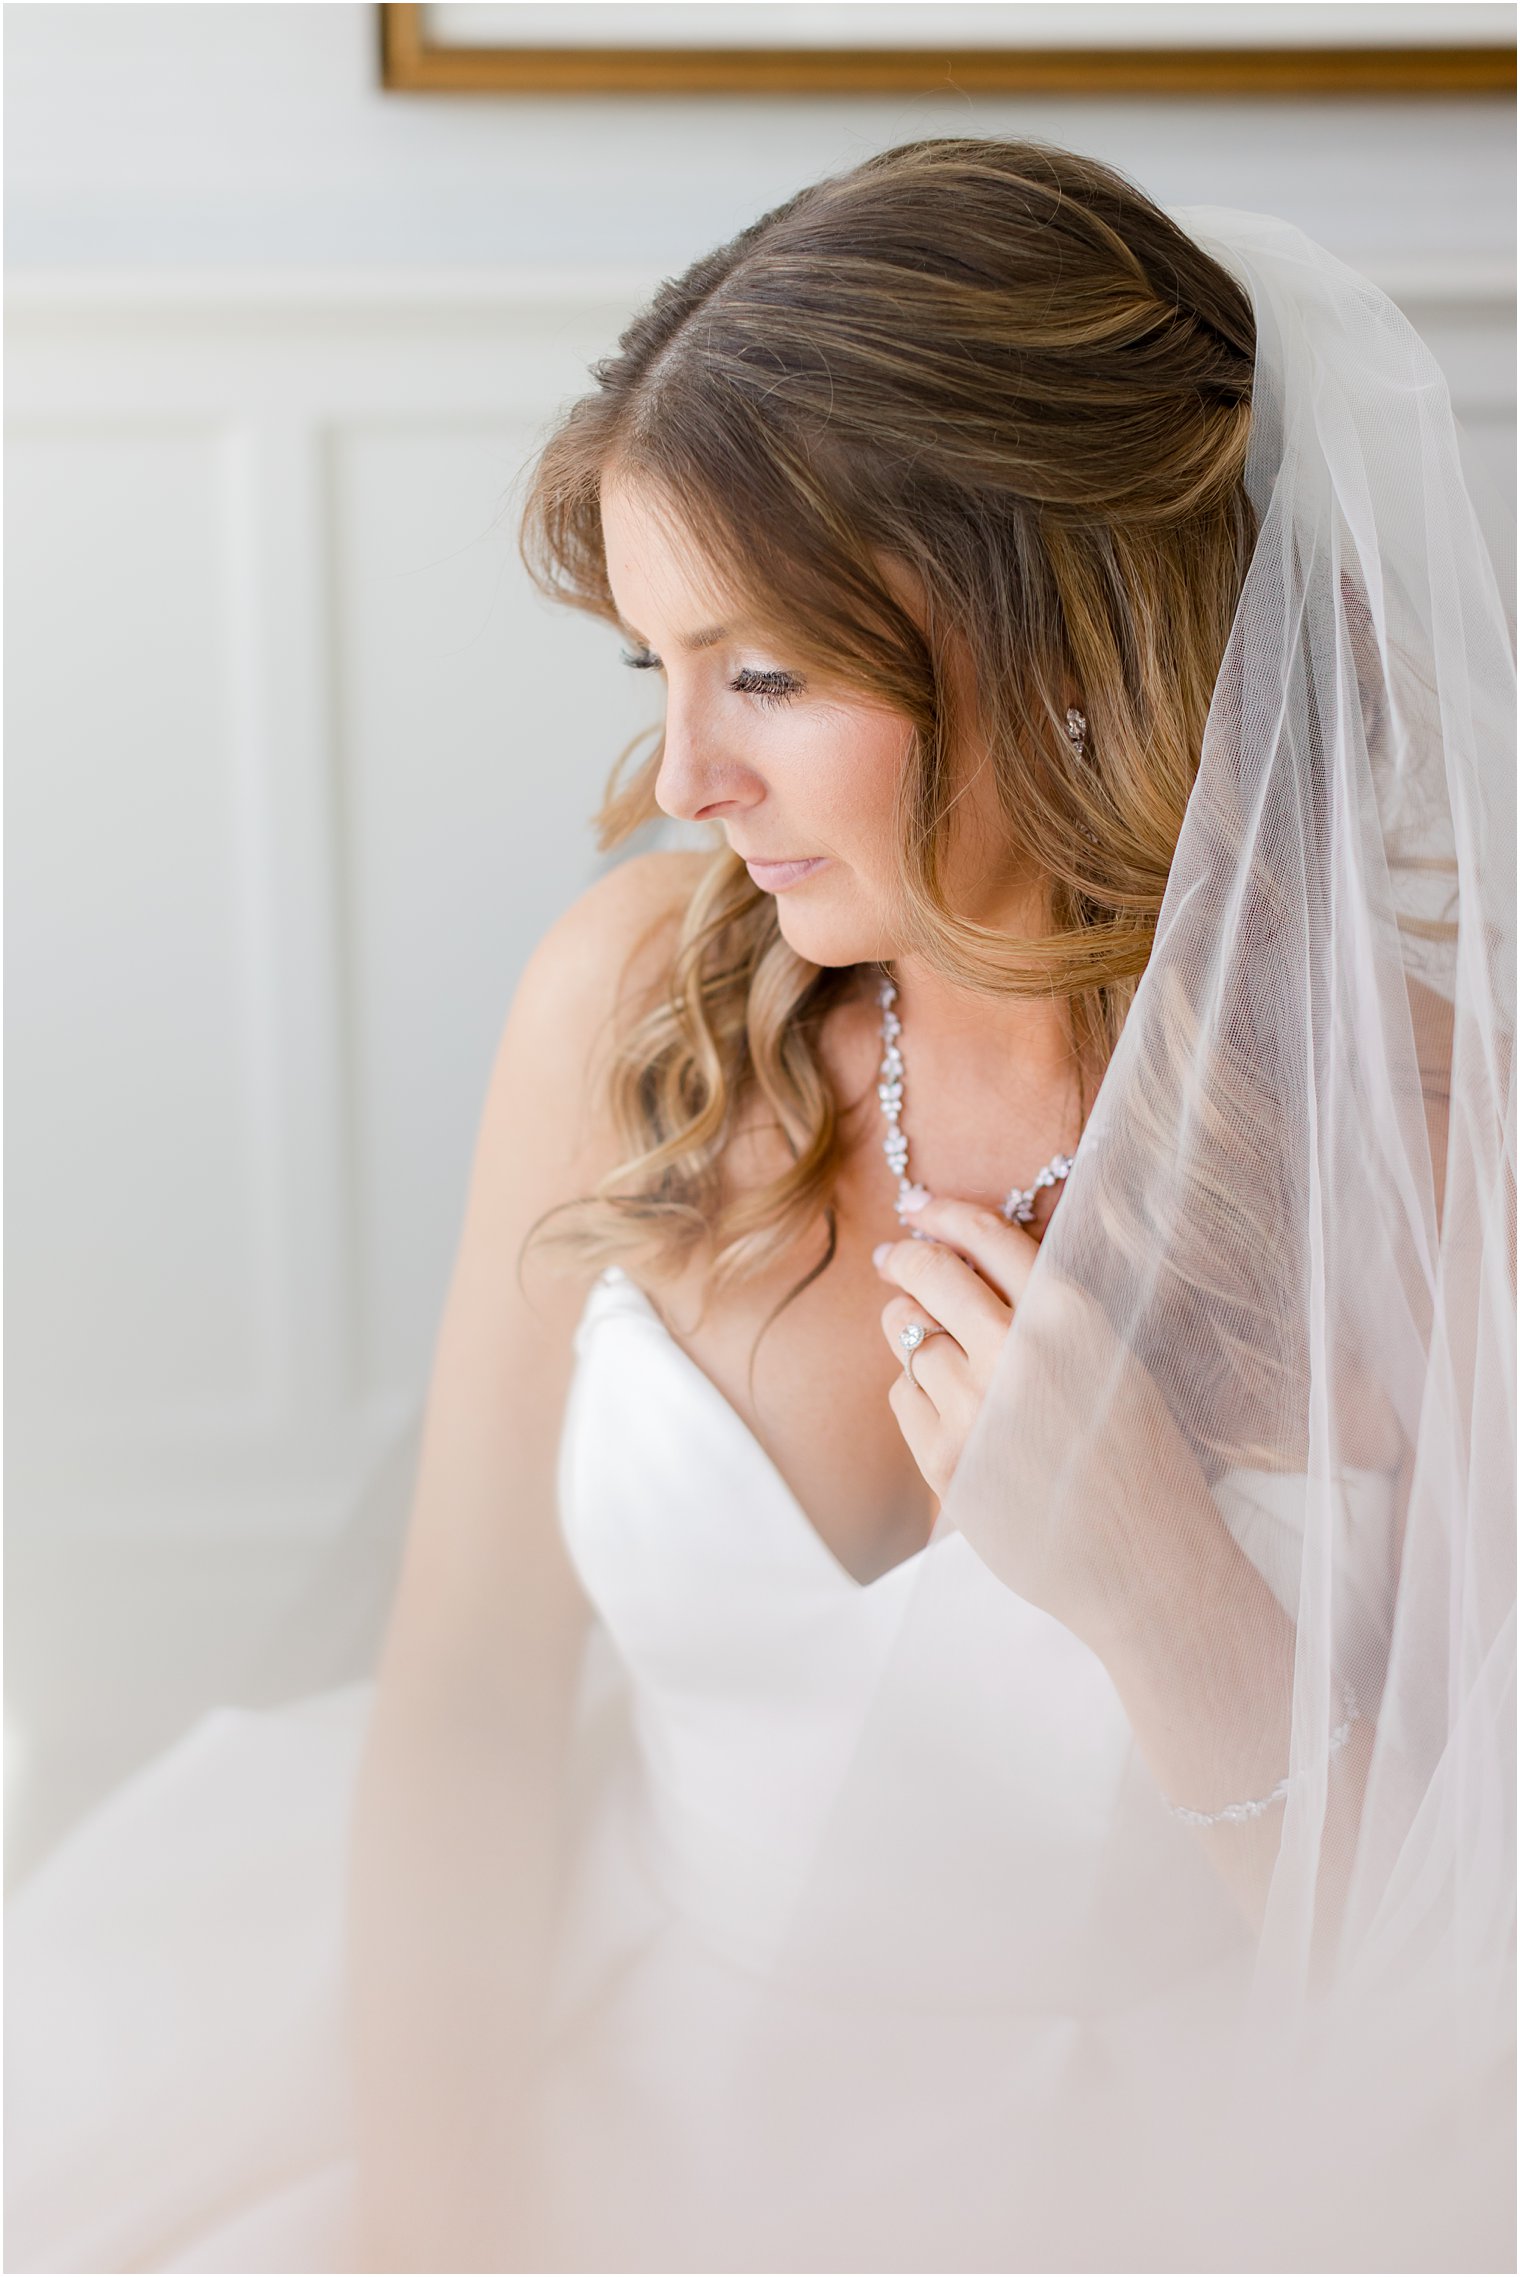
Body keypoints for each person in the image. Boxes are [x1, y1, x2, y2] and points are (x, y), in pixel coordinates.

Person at [6, 139, 1513, 2275]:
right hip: (568, 2075)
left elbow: (1457, 2002)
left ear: (1058, 639)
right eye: (658, 668)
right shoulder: (628, 1001)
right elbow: (466, 1697)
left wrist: (1169, 1595)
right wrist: (447, 2222)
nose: (678, 780)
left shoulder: (1446, 1152)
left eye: (768, 676)